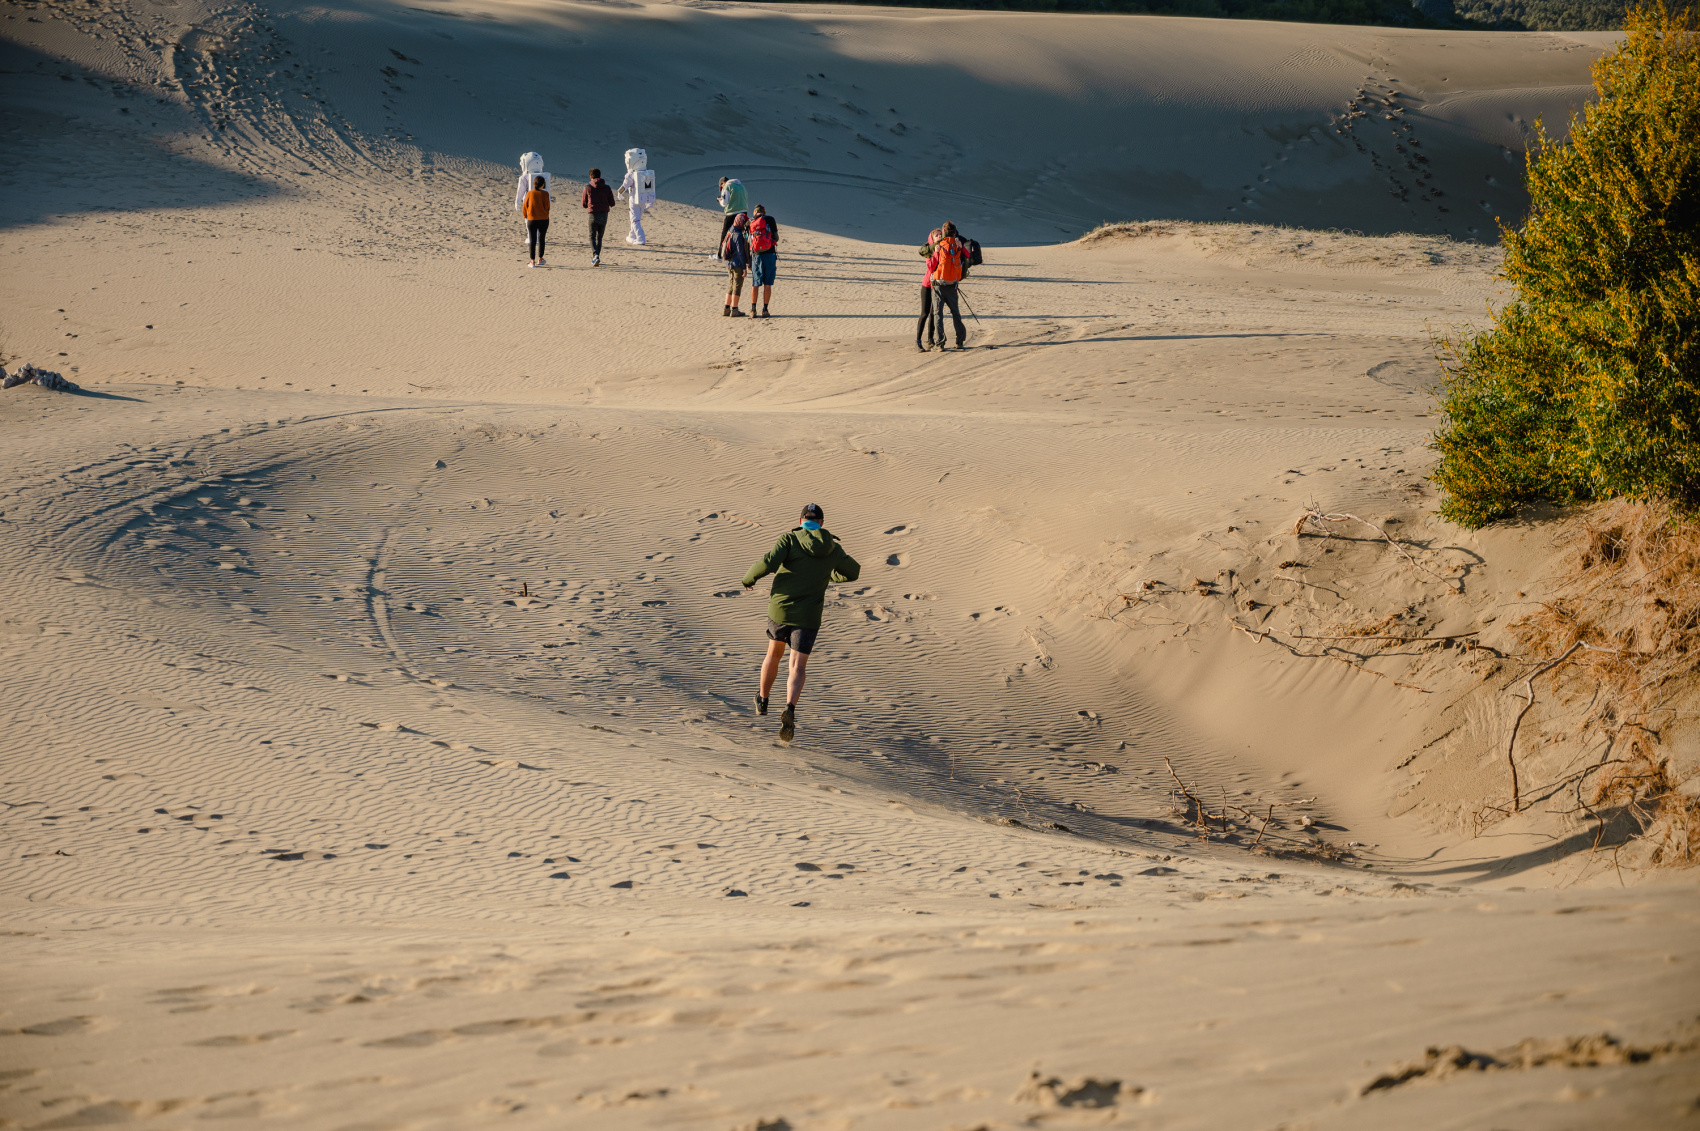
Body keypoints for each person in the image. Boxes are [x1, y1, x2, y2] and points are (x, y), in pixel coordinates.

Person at [741, 503, 860, 743]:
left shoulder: (789, 540)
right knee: (797, 665)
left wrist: (749, 578)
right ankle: (790, 709)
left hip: (781, 610)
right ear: (822, 524)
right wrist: (830, 574)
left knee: (773, 655)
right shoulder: (833, 549)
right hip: (808, 617)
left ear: (800, 521)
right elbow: (853, 572)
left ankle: (763, 700)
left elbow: (769, 562)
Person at [926, 220, 970, 350]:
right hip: (952, 284)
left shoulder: (939, 244)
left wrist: (935, 252)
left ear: (944, 232)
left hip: (939, 284)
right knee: (955, 313)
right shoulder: (957, 245)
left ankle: (940, 343)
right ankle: (960, 341)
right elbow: (967, 256)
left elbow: (931, 266)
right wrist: (960, 246)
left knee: (938, 314)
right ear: (955, 232)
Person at [618, 148, 656, 246]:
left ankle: (640, 238)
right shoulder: (647, 173)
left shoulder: (631, 175)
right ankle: (632, 235)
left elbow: (625, 185)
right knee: (637, 218)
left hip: (634, 200)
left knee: (634, 219)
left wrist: (620, 193)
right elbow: (650, 188)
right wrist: (650, 201)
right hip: (643, 200)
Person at [747, 205, 779, 318]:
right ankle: (765, 310)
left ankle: (753, 310)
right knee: (768, 284)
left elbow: (748, 241)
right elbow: (776, 237)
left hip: (756, 256)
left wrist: (748, 261)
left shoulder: (750, 222)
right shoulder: (770, 219)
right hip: (769, 255)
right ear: (764, 212)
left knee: (755, 283)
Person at [581, 168, 616, 266]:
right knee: (599, 237)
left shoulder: (587, 188)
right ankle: (596, 257)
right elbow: (612, 203)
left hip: (593, 214)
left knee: (592, 236)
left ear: (591, 177)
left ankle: (595, 255)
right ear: (600, 176)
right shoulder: (607, 187)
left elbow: (584, 204)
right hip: (604, 215)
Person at [915, 226, 942, 350]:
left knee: (933, 313)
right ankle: (918, 341)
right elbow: (931, 267)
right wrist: (936, 253)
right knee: (924, 313)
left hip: (937, 285)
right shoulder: (929, 250)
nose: (939, 236)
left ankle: (930, 339)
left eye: (940, 234)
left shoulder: (943, 248)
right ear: (932, 237)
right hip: (927, 285)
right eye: (937, 235)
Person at [722, 211, 750, 317]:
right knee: (737, 287)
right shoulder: (738, 235)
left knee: (731, 285)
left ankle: (726, 308)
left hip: (729, 263)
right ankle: (734, 309)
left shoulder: (730, 230)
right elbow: (740, 253)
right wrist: (744, 268)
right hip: (737, 264)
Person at [522, 175, 551, 267]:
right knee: (542, 239)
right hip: (543, 219)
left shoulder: (530, 193)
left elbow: (525, 206)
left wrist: (526, 216)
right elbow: (547, 207)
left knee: (532, 239)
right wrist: (545, 213)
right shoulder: (546, 194)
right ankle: (540, 258)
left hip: (531, 219)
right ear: (542, 184)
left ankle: (532, 260)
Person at [716, 176, 748, 259]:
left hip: (732, 213)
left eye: (721, 186)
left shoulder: (727, 186)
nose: (722, 188)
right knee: (742, 233)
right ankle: (744, 254)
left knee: (725, 233)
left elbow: (725, 203)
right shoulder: (741, 186)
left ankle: (720, 255)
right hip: (743, 212)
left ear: (723, 183)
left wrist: (720, 201)